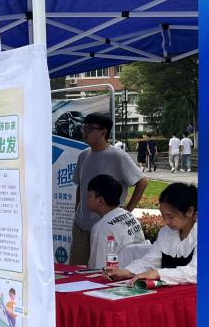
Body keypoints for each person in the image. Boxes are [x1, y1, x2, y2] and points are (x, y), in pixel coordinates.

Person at [69, 113, 147, 266]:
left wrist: (128, 210)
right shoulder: (83, 155)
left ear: (103, 132)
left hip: (107, 228)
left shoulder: (118, 156)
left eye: (89, 128)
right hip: (81, 225)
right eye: (83, 128)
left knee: (101, 270)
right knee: (75, 269)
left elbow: (142, 182)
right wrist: (77, 209)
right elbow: (80, 185)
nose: (84, 132)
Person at [107, 182, 197, 286]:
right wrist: (127, 272)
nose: (166, 221)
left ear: (189, 211)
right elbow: (151, 261)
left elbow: (195, 272)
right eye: (163, 215)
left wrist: (158, 273)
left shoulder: (206, 235)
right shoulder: (166, 233)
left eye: (171, 216)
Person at [85, 174, 147, 270]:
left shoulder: (102, 228)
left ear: (100, 201)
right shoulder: (129, 215)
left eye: (89, 196)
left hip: (118, 275)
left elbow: (98, 268)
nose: (86, 199)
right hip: (138, 270)